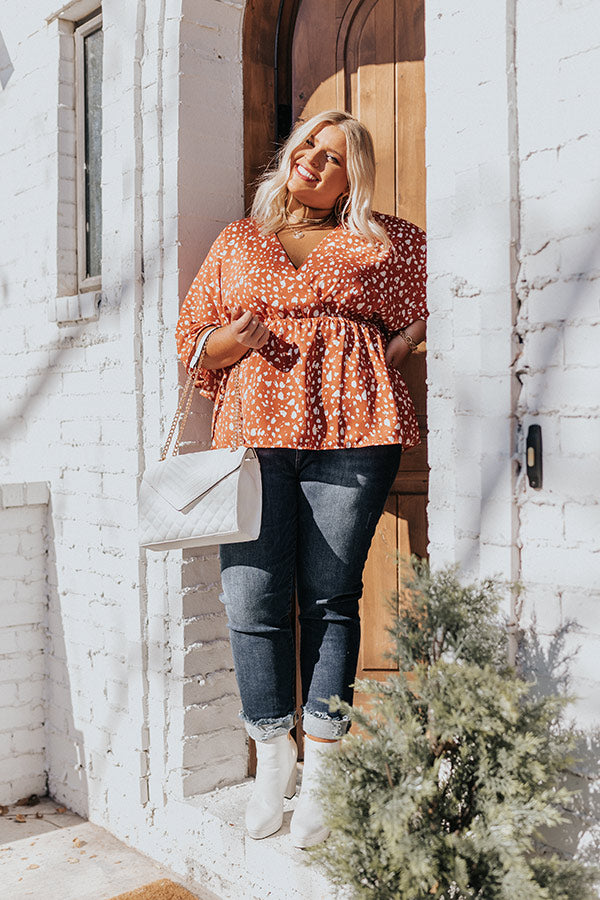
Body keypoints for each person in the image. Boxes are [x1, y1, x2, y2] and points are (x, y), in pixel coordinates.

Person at [176, 109, 427, 848]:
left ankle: (323, 769)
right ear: (290, 155)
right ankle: (272, 757)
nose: (314, 162)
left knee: (329, 598)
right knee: (251, 597)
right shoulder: (239, 241)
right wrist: (232, 340)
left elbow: (435, 304)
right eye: (308, 147)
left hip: (353, 433)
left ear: (355, 178)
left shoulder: (387, 241)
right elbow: (195, 340)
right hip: (254, 439)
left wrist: (400, 349)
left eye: (336, 158)